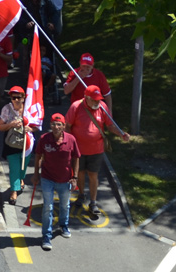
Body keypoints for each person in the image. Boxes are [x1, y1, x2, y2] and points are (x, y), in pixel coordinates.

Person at [65, 84, 129, 218]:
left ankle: (93, 202)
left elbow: (110, 125)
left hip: (96, 149)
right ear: (86, 98)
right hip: (79, 150)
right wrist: (69, 144)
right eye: (94, 99)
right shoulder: (76, 107)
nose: (97, 102)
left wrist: (121, 134)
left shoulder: (102, 107)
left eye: (98, 99)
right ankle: (81, 195)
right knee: (80, 173)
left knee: (93, 175)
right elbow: (68, 126)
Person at [32, 113, 80, 251]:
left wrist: (75, 177)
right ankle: (46, 236)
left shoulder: (71, 139)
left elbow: (76, 158)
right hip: (47, 178)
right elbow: (38, 156)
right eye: (53, 124)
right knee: (48, 207)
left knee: (65, 205)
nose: (56, 126)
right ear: (50, 125)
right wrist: (36, 174)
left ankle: (63, 225)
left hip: (65, 179)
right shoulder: (44, 139)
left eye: (59, 124)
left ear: (64, 126)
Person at [0, 86, 31, 204]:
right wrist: (11, 124)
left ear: (24, 97)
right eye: (13, 97)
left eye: (19, 97)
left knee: (24, 165)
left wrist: (30, 129)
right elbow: (0, 127)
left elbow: (37, 126)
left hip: (26, 143)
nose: (16, 100)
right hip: (11, 143)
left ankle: (21, 179)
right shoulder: (6, 109)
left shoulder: (29, 108)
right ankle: (14, 191)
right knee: (14, 168)